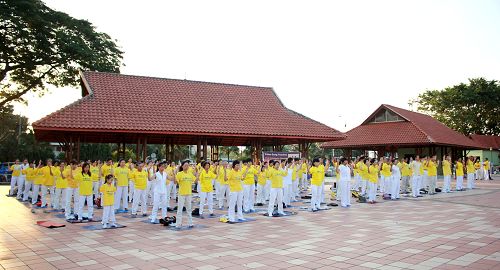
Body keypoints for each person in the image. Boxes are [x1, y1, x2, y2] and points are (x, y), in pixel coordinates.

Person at [175, 160, 197, 228]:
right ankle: (178, 224)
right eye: (185, 165)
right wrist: (175, 173)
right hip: (181, 194)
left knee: (189, 209)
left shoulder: (190, 173)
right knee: (180, 209)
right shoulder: (179, 174)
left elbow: (195, 181)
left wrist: (197, 173)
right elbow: (176, 182)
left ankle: (190, 223)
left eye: (188, 165)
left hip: (189, 194)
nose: (187, 167)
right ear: (182, 166)